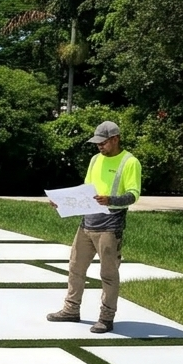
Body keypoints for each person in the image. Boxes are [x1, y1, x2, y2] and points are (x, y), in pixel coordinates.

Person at [46, 120, 142, 333]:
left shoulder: (129, 162)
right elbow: (85, 190)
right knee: (75, 267)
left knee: (108, 273)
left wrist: (110, 200)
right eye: (97, 143)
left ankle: (106, 318)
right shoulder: (95, 160)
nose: (99, 146)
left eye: (103, 142)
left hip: (110, 226)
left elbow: (133, 195)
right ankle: (71, 309)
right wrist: (63, 201)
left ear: (115, 139)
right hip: (87, 223)